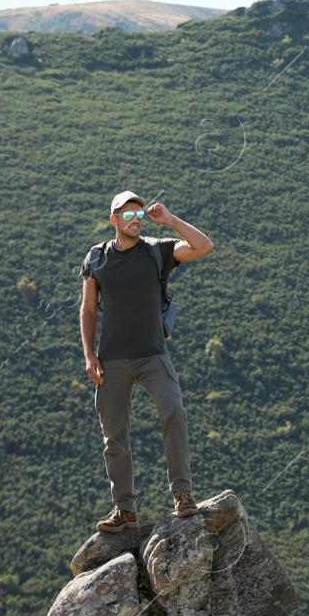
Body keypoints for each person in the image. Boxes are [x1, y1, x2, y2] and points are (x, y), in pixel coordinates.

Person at [81, 191, 214, 532]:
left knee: (173, 409)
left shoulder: (158, 250)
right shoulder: (97, 259)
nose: (135, 220)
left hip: (153, 354)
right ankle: (125, 511)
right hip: (112, 359)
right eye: (127, 216)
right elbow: (88, 309)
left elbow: (203, 246)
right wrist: (89, 354)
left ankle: (182, 495)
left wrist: (169, 220)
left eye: (139, 214)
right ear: (114, 220)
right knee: (114, 434)